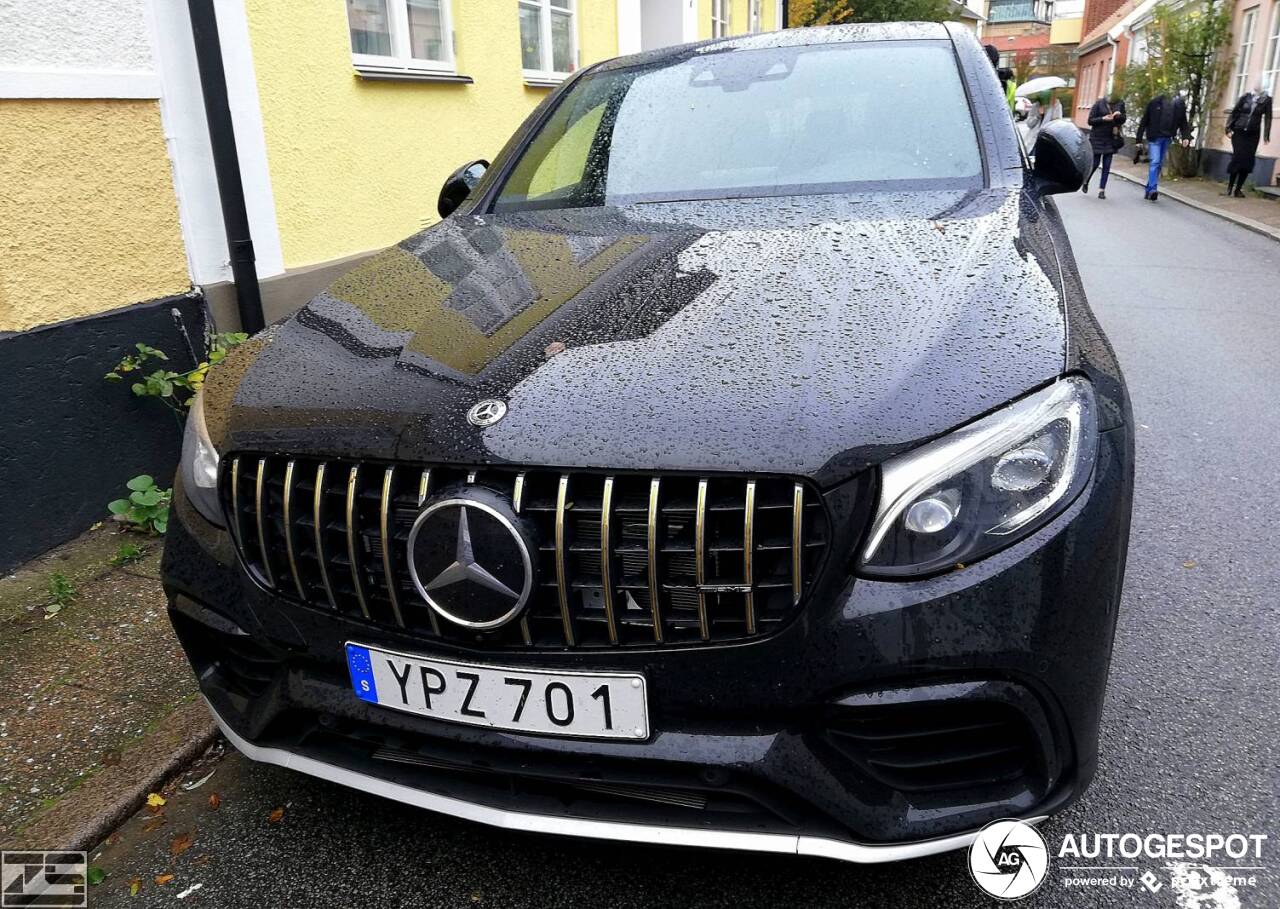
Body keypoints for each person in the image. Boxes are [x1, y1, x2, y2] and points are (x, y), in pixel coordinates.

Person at [1135, 90, 1191, 201]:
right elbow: (1144, 121)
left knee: (1158, 164)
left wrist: (1186, 137)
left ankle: (1148, 189)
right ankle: (1152, 189)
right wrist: (1139, 139)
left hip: (1167, 138)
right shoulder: (1155, 103)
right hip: (1155, 137)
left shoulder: (1179, 106)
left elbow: (1183, 122)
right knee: (1155, 162)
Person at [1224, 84, 1274, 197]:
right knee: (1237, 158)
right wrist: (1228, 128)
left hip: (1253, 134)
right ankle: (1230, 187)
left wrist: (1266, 135)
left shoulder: (1267, 100)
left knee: (1247, 161)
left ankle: (1238, 189)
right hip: (1239, 131)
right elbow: (1235, 112)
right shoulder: (1246, 97)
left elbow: (1268, 118)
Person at [1084, 93, 1126, 199]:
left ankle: (1101, 190)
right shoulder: (1099, 104)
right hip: (1097, 137)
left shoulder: (1120, 104)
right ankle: (1086, 180)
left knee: (1107, 165)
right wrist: (1103, 118)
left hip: (1111, 138)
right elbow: (1090, 121)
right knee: (1095, 163)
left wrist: (1118, 116)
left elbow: (1123, 119)